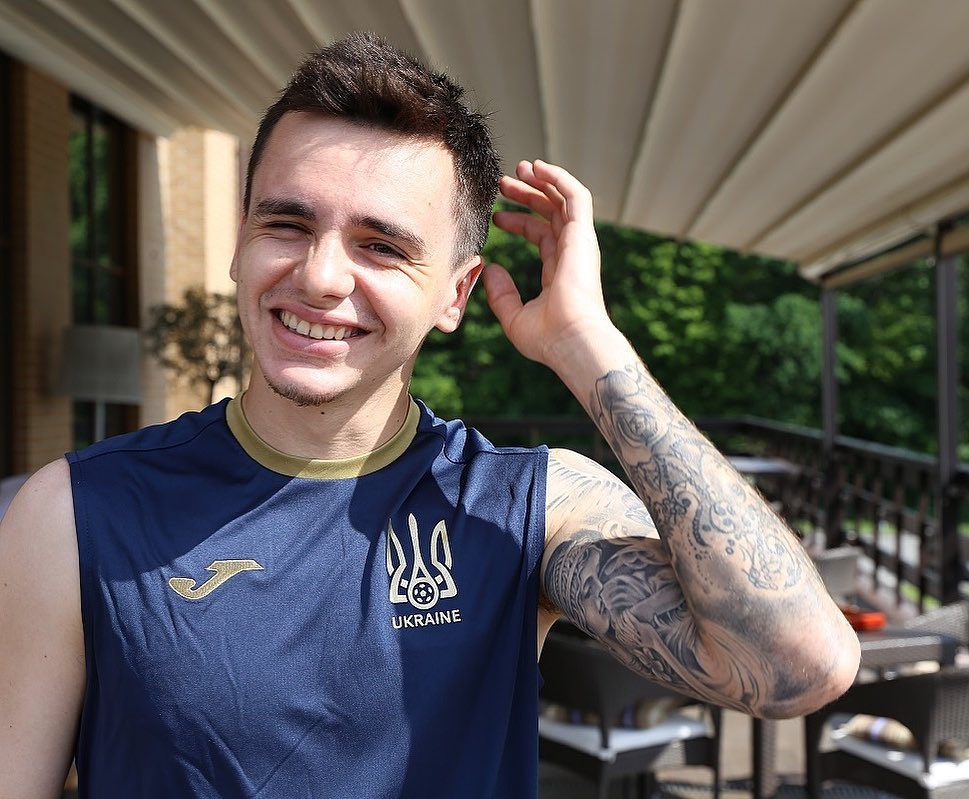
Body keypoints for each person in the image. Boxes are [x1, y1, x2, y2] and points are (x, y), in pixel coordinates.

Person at [0, 31, 860, 799]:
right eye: (287, 223)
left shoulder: (525, 508)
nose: (320, 277)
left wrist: (587, 345)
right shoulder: (73, 513)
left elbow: (798, 662)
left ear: (456, 293)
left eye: (380, 246)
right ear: (239, 241)